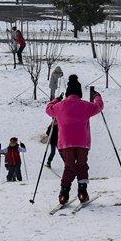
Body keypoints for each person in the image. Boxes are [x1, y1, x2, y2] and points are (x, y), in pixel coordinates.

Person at [44, 74, 105, 205]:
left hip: (65, 143)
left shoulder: (60, 106)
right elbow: (99, 107)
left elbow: (48, 109)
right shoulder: (85, 106)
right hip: (82, 143)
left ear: (67, 93)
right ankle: (82, 192)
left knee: (69, 167)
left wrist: (56, 100)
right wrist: (97, 96)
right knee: (82, 166)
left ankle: (63, 194)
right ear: (79, 93)